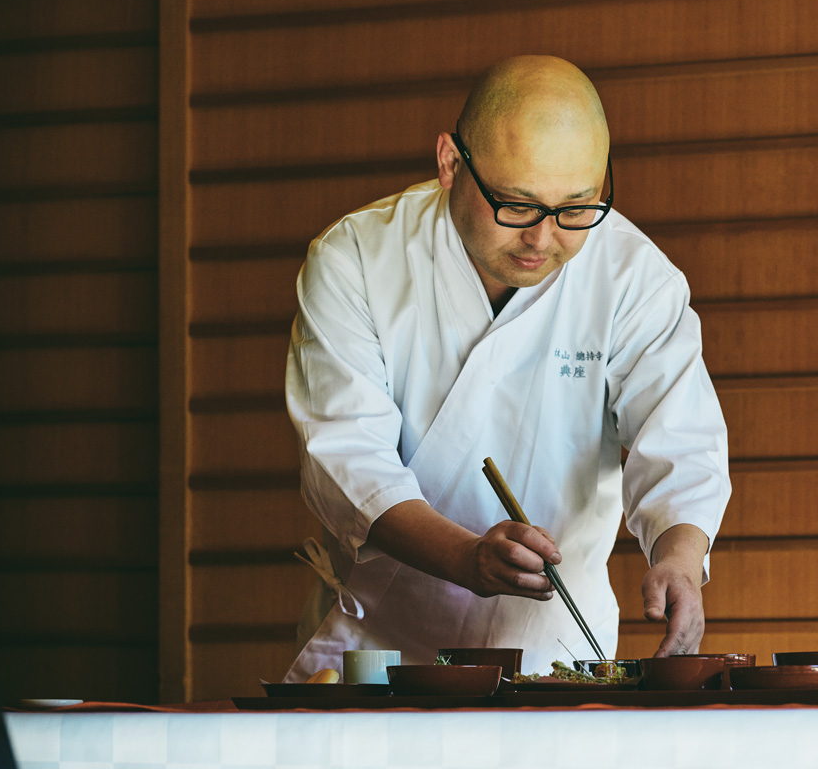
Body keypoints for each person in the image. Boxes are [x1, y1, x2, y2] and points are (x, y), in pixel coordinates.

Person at [283, 55, 730, 678]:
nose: (542, 238)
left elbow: (680, 440)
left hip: (555, 654)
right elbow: (345, 461)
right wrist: (465, 558)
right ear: (450, 162)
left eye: (576, 208)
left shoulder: (632, 275)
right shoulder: (356, 258)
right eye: (517, 205)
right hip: (378, 652)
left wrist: (680, 559)